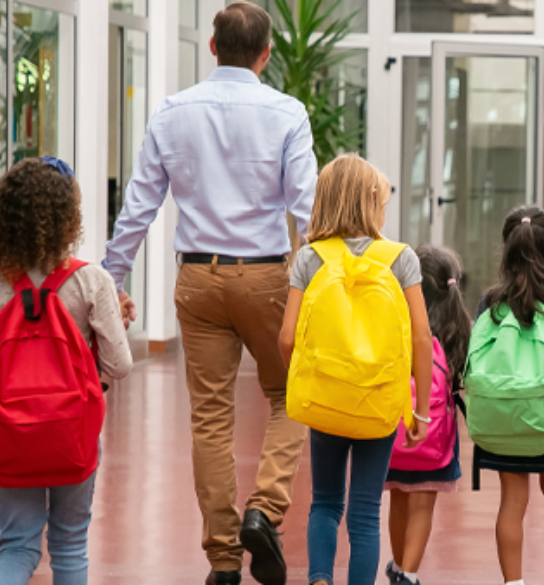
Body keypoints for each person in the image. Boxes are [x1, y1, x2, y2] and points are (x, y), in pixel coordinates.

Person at [100, 3, 317, 584]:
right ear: (267, 54)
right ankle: (264, 510)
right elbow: (308, 213)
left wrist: (110, 281)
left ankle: (223, 561)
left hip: (197, 280)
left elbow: (138, 209)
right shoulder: (287, 112)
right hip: (269, 278)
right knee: (292, 394)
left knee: (210, 419)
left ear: (213, 47)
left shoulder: (172, 113)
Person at [0, 157, 133, 585]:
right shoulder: (91, 281)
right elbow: (120, 365)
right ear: (68, 218)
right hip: (72, 432)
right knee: (70, 546)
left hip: (12, 434)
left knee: (17, 546)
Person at [279, 153, 431, 585]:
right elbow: (421, 337)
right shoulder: (400, 259)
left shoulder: (310, 259)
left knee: (325, 502)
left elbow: (287, 337)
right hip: (379, 400)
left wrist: (308, 378)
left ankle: (320, 579)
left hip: (326, 395)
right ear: (370, 203)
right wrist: (419, 410)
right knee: (365, 512)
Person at [472, 206, 544, 585]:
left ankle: (514, 582)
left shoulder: (490, 304)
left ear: (507, 251)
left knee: (512, 499)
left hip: (502, 411)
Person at [384, 244, 470, 585]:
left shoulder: (397, 326)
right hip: (435, 439)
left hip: (395, 434)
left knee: (398, 501)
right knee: (423, 503)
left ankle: (397, 565)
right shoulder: (458, 328)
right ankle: (409, 572)